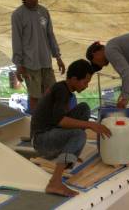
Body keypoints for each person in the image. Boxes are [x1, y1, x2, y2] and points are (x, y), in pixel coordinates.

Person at [31, 59, 111, 197]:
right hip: (41, 140)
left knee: (84, 108)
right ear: (74, 79)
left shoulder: (65, 89)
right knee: (79, 135)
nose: (86, 86)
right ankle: (55, 183)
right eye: (85, 82)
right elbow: (61, 121)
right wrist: (91, 125)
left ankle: (68, 157)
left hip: (50, 132)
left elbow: (59, 119)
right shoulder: (61, 90)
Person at [11, 0, 65, 113]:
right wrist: (19, 65)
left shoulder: (44, 11)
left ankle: (51, 122)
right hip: (30, 63)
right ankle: (36, 125)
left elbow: (50, 35)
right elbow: (16, 40)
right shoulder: (17, 15)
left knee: (51, 93)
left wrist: (57, 57)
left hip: (46, 61)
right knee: (35, 96)